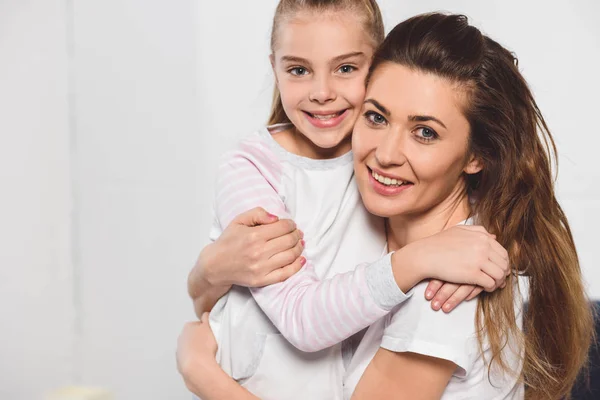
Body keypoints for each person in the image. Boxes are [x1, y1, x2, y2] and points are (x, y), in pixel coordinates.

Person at [178, 12, 594, 399]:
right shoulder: (369, 229)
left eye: (425, 133)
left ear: (476, 156)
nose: (386, 153)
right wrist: (207, 273)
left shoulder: (444, 298)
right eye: (376, 117)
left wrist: (202, 373)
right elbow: (264, 300)